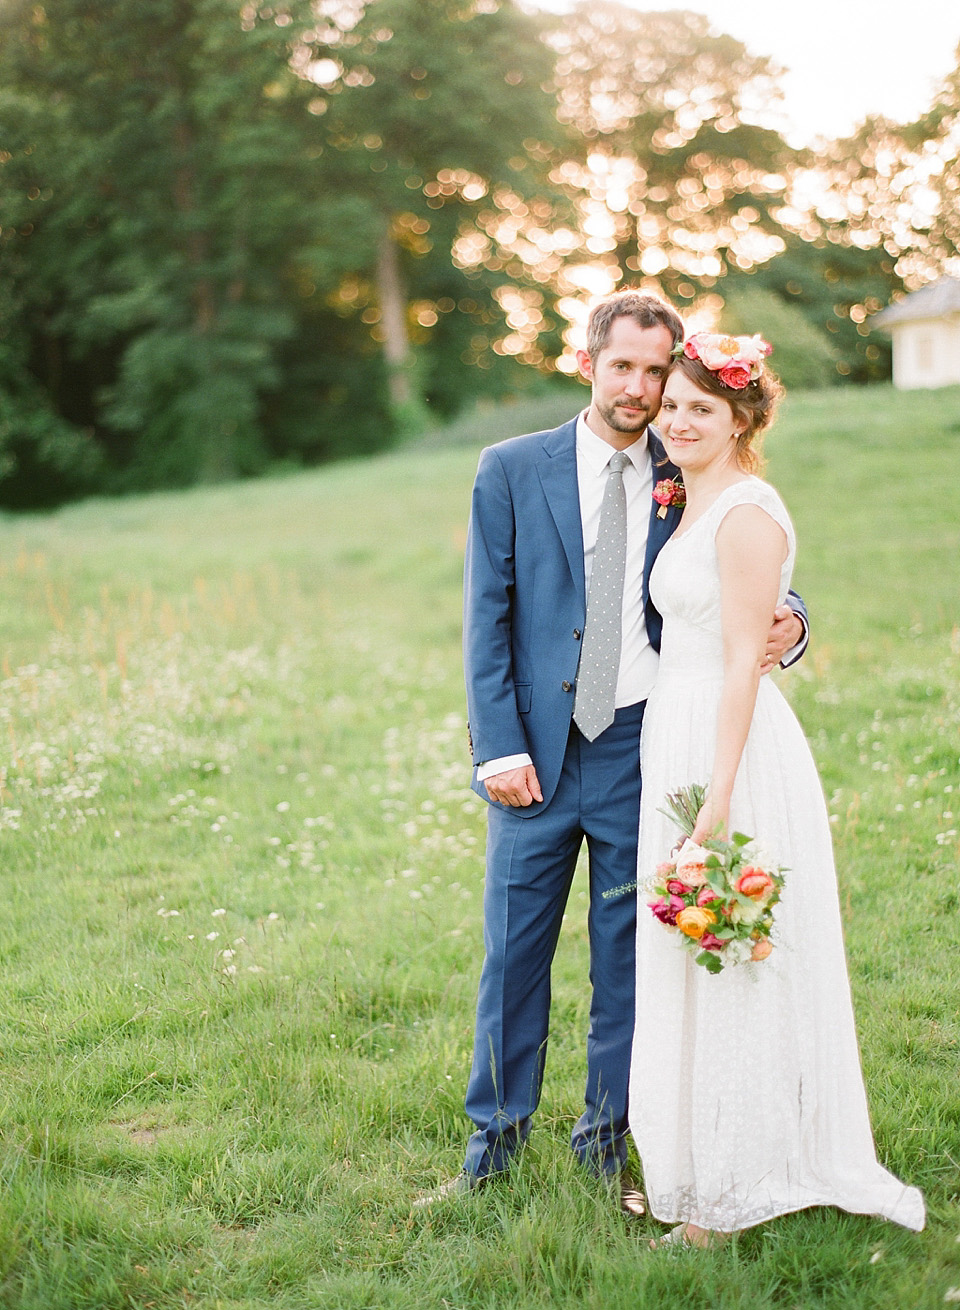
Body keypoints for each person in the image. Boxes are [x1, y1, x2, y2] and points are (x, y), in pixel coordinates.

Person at [417, 291, 809, 1209]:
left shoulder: (687, 470)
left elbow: (753, 566)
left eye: (655, 372)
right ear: (588, 360)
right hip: (535, 761)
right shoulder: (512, 467)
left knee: (628, 960)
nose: (639, 389)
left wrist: (794, 623)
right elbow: (488, 618)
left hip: (645, 747)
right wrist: (497, 747)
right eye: (622, 366)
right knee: (513, 958)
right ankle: (493, 1150)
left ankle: (606, 1143)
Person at [629, 332, 925, 1245]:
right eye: (672, 405)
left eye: (699, 409)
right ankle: (695, 1159)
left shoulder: (747, 512)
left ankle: (730, 1192)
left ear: (743, 419)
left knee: (734, 952)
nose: (676, 419)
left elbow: (743, 665)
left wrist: (717, 798)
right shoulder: (684, 496)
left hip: (731, 746)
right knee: (693, 954)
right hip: (676, 735)